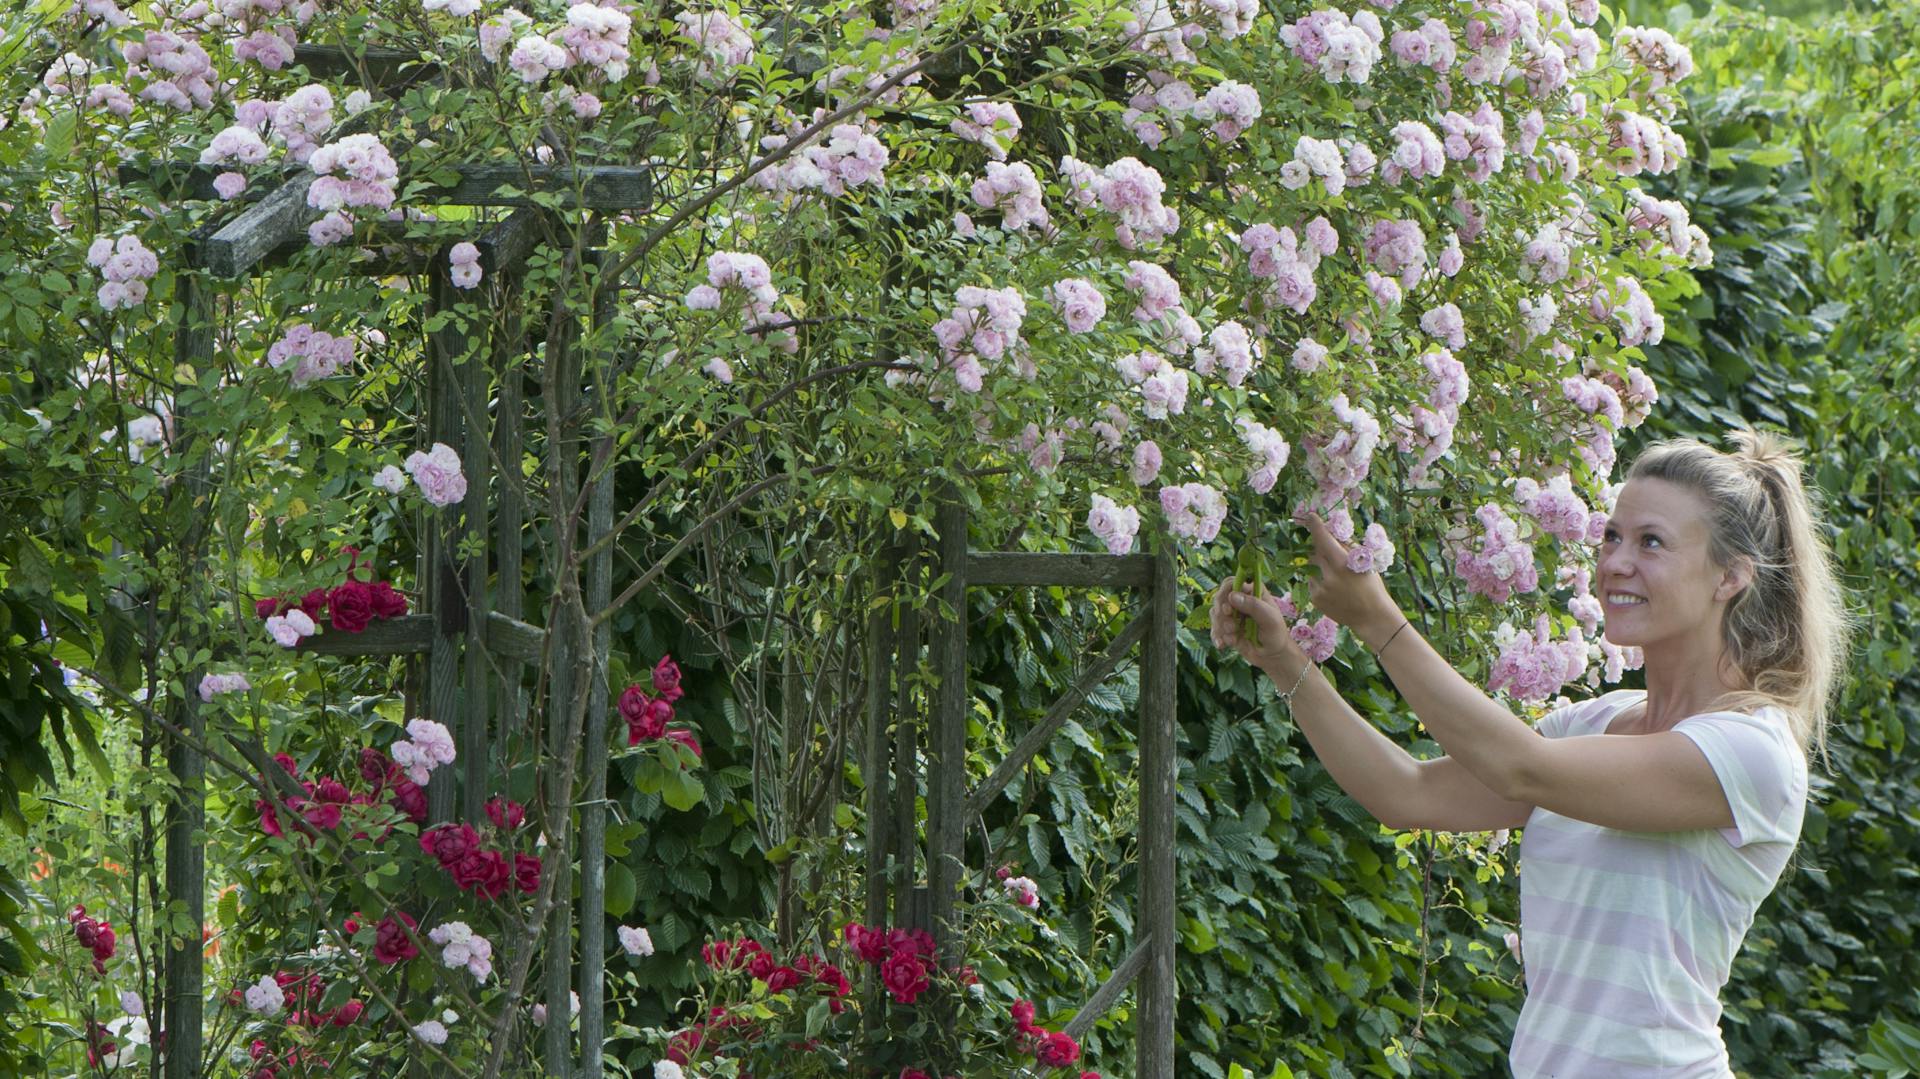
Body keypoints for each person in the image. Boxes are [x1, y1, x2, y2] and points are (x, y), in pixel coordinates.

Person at [1209, 430, 1850, 1078]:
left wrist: (1378, 619)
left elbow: (1519, 764)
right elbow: (1405, 791)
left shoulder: (1751, 752)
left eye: (1650, 541)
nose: (1617, 562)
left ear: (1731, 576)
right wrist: (1284, 658)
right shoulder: (1595, 720)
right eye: (1611, 536)